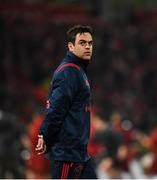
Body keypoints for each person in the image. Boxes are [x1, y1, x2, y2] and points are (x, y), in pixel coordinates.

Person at [35, 25, 97, 179]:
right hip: (67, 154)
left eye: (90, 43)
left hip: (80, 153)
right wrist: (45, 134)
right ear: (71, 46)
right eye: (82, 43)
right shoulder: (69, 72)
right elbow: (56, 109)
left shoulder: (78, 70)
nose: (87, 46)